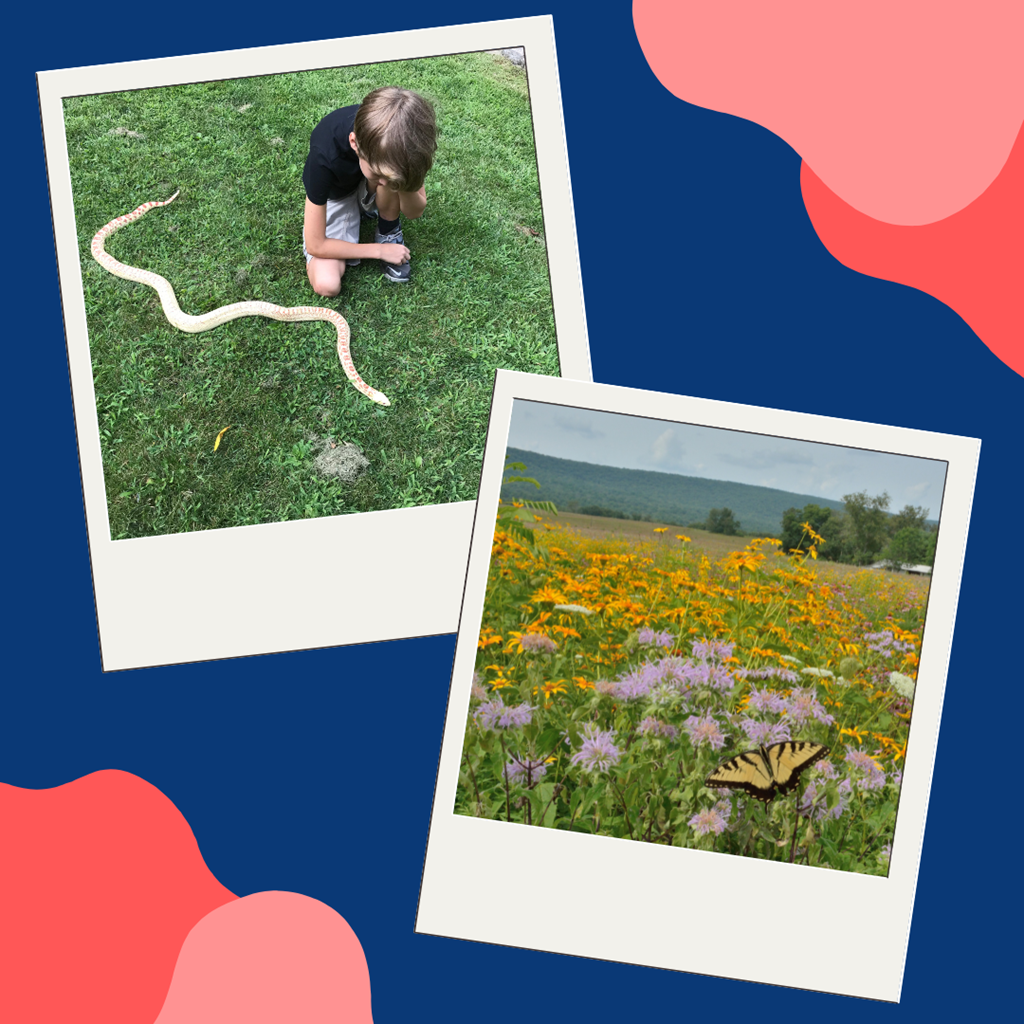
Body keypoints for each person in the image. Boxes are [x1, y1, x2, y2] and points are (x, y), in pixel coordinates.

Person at [302, 87, 436, 295]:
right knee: (327, 284)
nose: (386, 181)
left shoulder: (402, 142)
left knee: (388, 180)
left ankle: (388, 229)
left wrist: (398, 182)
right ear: (354, 143)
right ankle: (369, 217)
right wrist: (379, 251)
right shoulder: (325, 155)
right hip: (339, 194)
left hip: (367, 182)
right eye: (379, 172)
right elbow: (316, 244)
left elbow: (414, 211)